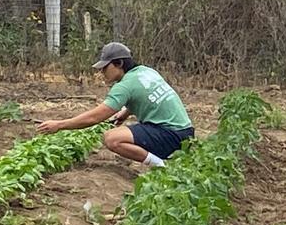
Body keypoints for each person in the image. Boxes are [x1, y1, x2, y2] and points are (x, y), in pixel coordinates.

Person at [36, 42, 195, 168]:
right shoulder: (146, 71)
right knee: (127, 131)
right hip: (186, 133)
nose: (102, 72)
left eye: (105, 67)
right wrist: (125, 114)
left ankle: (159, 165)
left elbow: (95, 117)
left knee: (112, 138)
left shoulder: (123, 86)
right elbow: (142, 96)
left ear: (118, 63)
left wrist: (60, 124)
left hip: (171, 136)